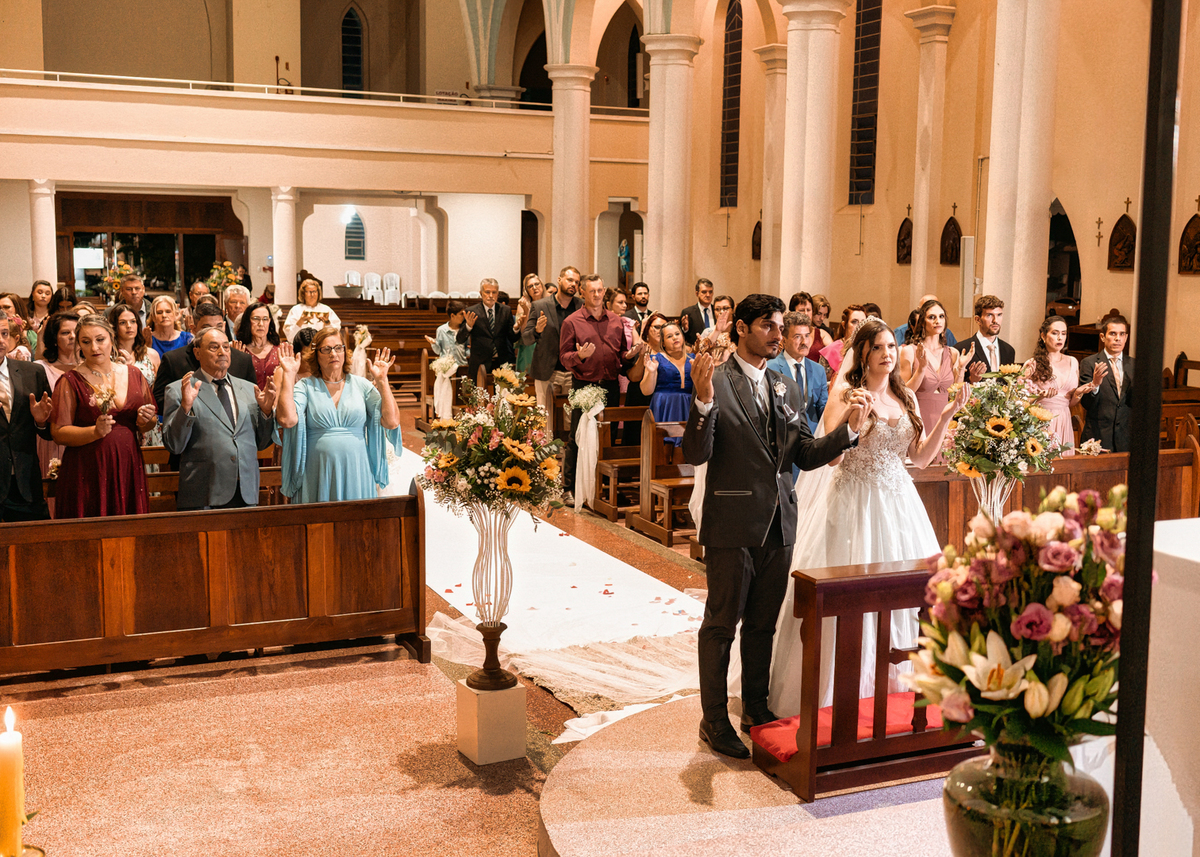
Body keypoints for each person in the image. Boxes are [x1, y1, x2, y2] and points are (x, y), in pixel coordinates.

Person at [681, 293, 866, 759]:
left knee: (762, 623)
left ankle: (756, 707)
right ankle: (713, 719)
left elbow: (803, 452)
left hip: (780, 522)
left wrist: (847, 431)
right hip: (732, 522)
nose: (778, 335)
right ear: (741, 328)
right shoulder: (715, 381)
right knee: (721, 625)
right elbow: (696, 453)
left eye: (780, 326)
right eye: (768, 325)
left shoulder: (785, 386)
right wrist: (702, 404)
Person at [769, 318, 969, 715]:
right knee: (853, 593)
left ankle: (898, 690)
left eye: (891, 347)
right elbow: (831, 459)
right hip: (854, 502)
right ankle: (839, 693)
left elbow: (920, 458)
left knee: (907, 594)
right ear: (862, 353)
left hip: (900, 505)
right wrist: (853, 423)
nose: (887, 354)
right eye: (877, 347)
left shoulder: (905, 397)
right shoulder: (847, 393)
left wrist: (948, 413)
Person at [50, 316, 158, 518]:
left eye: (100, 339)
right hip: (88, 466)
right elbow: (58, 432)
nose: (94, 347)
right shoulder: (70, 380)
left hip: (127, 463)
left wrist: (144, 421)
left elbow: (149, 422)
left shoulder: (134, 373)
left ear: (112, 338)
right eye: (86, 342)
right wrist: (94, 432)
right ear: (79, 345)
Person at [275, 328, 401, 502]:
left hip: (357, 469)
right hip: (317, 471)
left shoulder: (361, 385)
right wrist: (289, 375)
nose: (333, 353)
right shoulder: (306, 386)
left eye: (338, 348)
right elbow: (287, 420)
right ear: (316, 355)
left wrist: (382, 381)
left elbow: (391, 422)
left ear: (344, 352)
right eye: (326, 349)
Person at [163, 327, 277, 511]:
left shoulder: (249, 389)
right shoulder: (179, 390)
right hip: (204, 493)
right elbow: (174, 445)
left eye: (226, 347)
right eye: (214, 347)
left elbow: (262, 443)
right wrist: (185, 407)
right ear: (197, 353)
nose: (222, 352)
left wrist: (265, 413)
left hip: (245, 491)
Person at [559, 274, 645, 502]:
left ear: (604, 291)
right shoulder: (572, 322)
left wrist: (629, 356)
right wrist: (579, 355)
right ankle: (569, 487)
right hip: (584, 386)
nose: (597, 295)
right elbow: (564, 358)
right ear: (582, 293)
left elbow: (620, 356)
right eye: (592, 291)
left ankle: (604, 486)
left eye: (600, 290)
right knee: (578, 436)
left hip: (610, 386)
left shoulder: (616, 321)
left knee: (608, 437)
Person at [154, 303, 257, 421]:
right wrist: (189, 407)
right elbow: (160, 400)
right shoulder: (173, 360)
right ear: (193, 329)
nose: (213, 332)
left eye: (219, 326)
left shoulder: (242, 359)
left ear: (224, 326)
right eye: (207, 327)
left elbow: (251, 399)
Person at [0, 318, 54, 522]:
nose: (1, 340)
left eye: (4, 334)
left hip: (24, 485)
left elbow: (49, 432)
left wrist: (41, 422)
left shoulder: (32, 372)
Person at [900, 298, 975, 433]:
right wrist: (921, 369)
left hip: (947, 421)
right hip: (919, 419)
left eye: (941, 316)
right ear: (922, 322)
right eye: (931, 317)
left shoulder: (952, 353)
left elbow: (955, 395)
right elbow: (904, 394)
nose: (937, 321)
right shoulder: (909, 352)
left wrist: (961, 368)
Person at [1024, 315, 1094, 455]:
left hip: (1064, 420)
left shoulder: (1073, 361)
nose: (1060, 338)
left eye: (1063, 333)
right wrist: (1039, 397)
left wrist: (1078, 393)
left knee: (1064, 464)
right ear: (1043, 336)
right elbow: (1019, 402)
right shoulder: (1033, 364)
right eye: (1055, 333)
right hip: (1042, 422)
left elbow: (1069, 403)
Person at [522, 266, 582, 417]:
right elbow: (526, 338)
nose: (573, 284)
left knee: (571, 419)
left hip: (573, 372)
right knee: (545, 418)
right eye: (570, 280)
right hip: (547, 372)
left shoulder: (581, 306)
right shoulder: (540, 305)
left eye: (576, 282)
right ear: (559, 280)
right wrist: (537, 330)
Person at [34, 311, 78, 479]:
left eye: (76, 331)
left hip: (86, 439)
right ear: (54, 338)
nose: (72, 336)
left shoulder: (91, 367)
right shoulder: (40, 368)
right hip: (52, 442)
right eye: (65, 333)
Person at [767, 311, 827, 435]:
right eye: (798, 337)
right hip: (783, 434)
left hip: (813, 435)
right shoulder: (770, 368)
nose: (804, 342)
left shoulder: (818, 370)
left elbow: (823, 408)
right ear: (783, 340)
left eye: (807, 336)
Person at [1079, 314, 1131, 452]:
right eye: (1113, 334)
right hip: (1098, 436)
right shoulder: (1089, 363)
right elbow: (1086, 403)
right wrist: (1095, 385)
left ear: (1126, 337)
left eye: (1122, 334)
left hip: (1126, 438)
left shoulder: (1134, 365)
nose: (1118, 338)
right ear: (1102, 337)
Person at [456, 278, 522, 383]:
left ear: (497, 294)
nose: (491, 295)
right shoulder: (471, 311)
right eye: (487, 292)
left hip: (501, 363)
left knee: (502, 393)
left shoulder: (505, 310)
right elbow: (459, 339)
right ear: (481, 293)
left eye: (494, 292)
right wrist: (468, 326)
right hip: (479, 364)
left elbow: (512, 338)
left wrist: (516, 328)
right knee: (479, 393)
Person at [639, 321, 693, 436]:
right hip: (665, 406)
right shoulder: (655, 359)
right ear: (663, 343)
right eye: (669, 336)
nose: (674, 338)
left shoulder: (693, 358)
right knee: (664, 443)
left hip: (689, 405)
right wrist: (651, 372)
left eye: (677, 334)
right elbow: (646, 391)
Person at [956, 294, 1014, 374]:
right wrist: (972, 379)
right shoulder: (961, 349)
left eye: (999, 315)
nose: (995, 320)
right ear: (978, 320)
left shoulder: (1009, 351)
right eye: (989, 315)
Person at [235, 303, 283, 391]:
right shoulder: (240, 349)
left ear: (269, 321)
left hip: (276, 397)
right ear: (248, 322)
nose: (261, 324)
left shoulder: (280, 350)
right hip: (248, 397)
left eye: (265, 319)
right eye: (256, 319)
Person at [282, 278, 341, 344]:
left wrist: (327, 323)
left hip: (321, 344)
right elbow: (290, 335)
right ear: (303, 293)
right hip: (302, 345)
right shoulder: (296, 310)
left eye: (315, 291)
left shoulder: (326, 309)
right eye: (309, 292)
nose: (312, 295)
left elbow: (335, 331)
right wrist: (300, 321)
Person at [817, 304, 867, 380]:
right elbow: (820, 381)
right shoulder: (831, 350)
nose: (860, 326)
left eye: (863, 322)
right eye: (854, 322)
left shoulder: (869, 348)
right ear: (844, 325)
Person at [514, 274, 545, 373]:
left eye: (537, 284)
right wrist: (526, 310)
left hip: (546, 345)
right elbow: (524, 332)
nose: (534, 288)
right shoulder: (523, 304)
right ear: (526, 290)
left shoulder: (550, 302)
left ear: (542, 285)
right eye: (530, 286)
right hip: (529, 345)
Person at [426, 300, 469, 371]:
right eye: (461, 314)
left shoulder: (465, 329)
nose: (464, 316)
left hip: (462, 365)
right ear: (452, 315)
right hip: (446, 367)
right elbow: (438, 351)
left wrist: (470, 351)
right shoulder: (441, 330)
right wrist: (433, 343)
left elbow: (467, 348)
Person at [680, 278, 716, 347]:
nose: (708, 295)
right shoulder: (688, 312)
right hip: (695, 350)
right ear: (697, 293)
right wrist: (685, 329)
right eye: (704, 292)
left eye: (710, 292)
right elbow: (682, 338)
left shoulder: (717, 310)